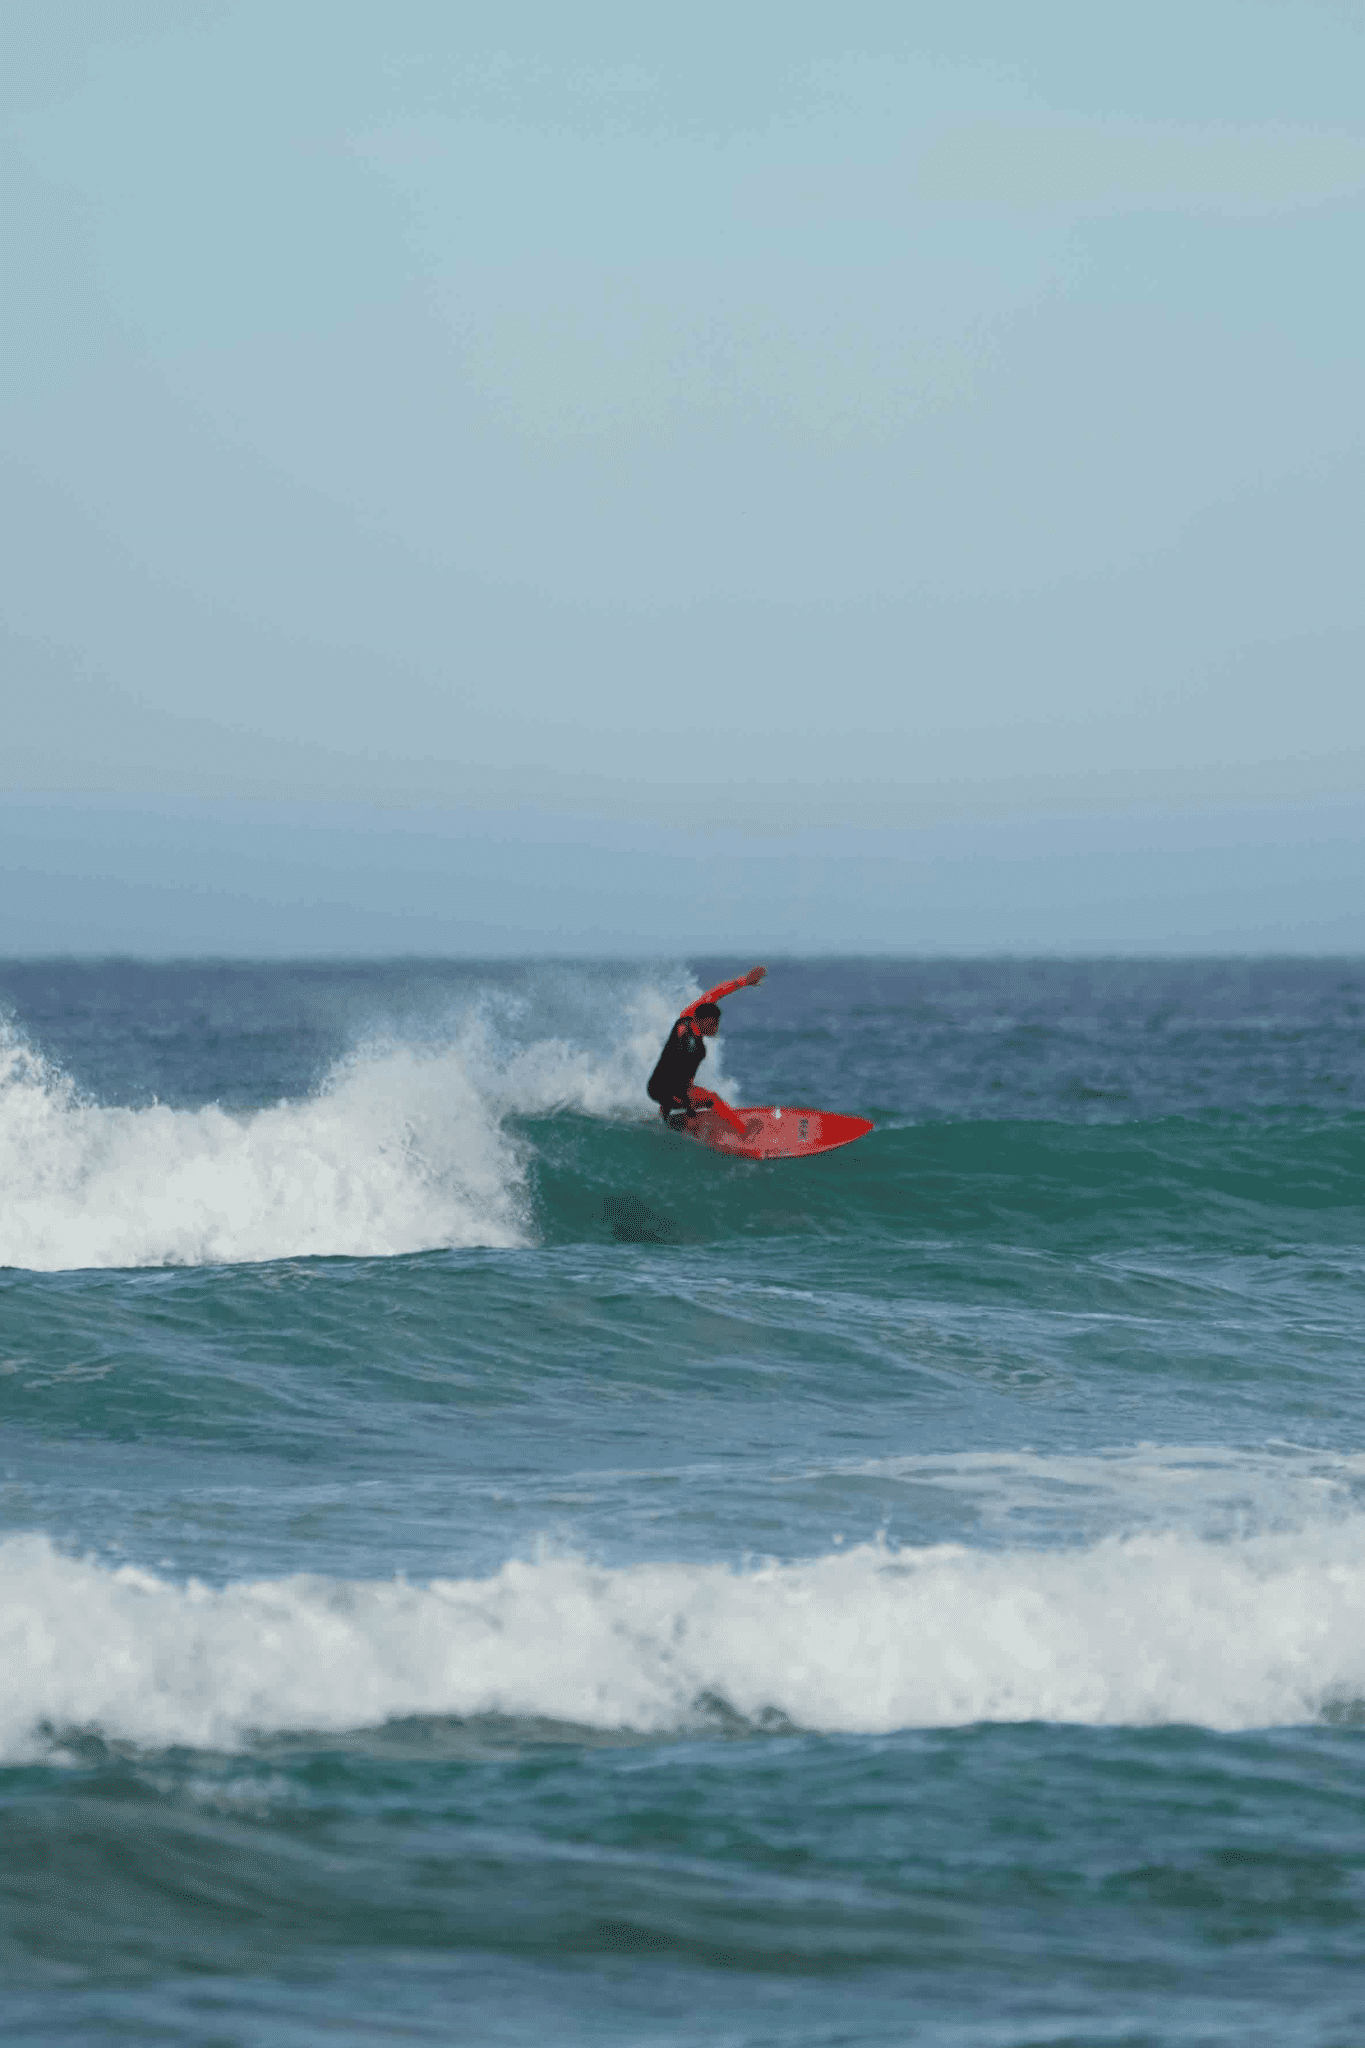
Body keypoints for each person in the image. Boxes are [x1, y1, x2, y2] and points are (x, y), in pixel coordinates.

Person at [647, 967, 766, 1127]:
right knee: (712, 1099)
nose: (717, 1028)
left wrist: (743, 981)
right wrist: (690, 1108)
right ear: (706, 1022)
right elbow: (685, 1084)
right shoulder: (697, 1050)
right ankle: (743, 1132)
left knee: (671, 1072)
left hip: (654, 1088)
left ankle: (663, 1119)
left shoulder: (684, 1020)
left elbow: (713, 994)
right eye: (714, 1024)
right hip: (669, 1092)